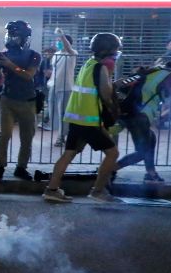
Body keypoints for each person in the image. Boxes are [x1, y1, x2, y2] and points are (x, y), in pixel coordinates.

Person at [42, 33, 122, 203]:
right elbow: (106, 94)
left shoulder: (89, 63)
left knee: (69, 154)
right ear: (108, 51)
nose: (116, 55)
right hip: (89, 120)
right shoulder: (101, 68)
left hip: (76, 118)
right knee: (113, 153)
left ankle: (52, 189)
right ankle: (98, 191)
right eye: (115, 51)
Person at [114, 57, 171, 185]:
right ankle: (108, 170)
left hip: (129, 112)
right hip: (139, 116)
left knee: (151, 138)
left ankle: (151, 173)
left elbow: (123, 84)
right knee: (142, 152)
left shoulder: (154, 71)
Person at [0, 20, 41, 183]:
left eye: (15, 36)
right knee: (5, 135)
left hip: (28, 101)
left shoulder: (34, 55)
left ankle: (21, 168)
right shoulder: (4, 53)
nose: (11, 39)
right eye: (10, 35)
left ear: (25, 38)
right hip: (7, 99)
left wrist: (8, 64)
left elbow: (28, 75)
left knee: (27, 137)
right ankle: (0, 167)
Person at [48, 28, 78, 146]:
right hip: (54, 86)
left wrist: (62, 35)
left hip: (65, 87)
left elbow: (69, 48)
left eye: (60, 41)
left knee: (63, 114)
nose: (58, 43)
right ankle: (60, 134)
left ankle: (61, 137)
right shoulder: (56, 54)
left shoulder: (72, 54)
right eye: (57, 41)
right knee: (53, 112)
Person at [35, 46, 55, 130]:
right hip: (45, 85)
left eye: (48, 52)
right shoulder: (46, 61)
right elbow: (47, 73)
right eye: (46, 53)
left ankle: (46, 122)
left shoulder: (51, 61)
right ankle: (45, 122)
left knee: (50, 102)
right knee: (49, 103)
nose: (46, 54)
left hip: (47, 84)